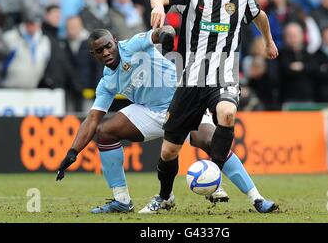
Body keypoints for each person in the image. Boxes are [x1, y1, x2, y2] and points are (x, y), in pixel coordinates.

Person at [56, 27, 276, 214]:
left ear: (115, 41)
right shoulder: (107, 82)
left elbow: (163, 30)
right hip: (150, 111)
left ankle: (256, 198)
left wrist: (166, 37)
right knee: (104, 132)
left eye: (107, 46)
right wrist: (73, 151)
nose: (105, 53)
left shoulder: (132, 45)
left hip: (184, 101)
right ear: (93, 54)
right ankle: (122, 200)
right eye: (98, 51)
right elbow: (92, 119)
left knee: (211, 142)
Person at [140, 0, 278, 214]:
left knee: (227, 113)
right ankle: (164, 197)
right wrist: (157, 7)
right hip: (190, 81)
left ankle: (219, 177)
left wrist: (269, 42)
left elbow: (260, 15)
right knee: (169, 152)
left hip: (223, 76)